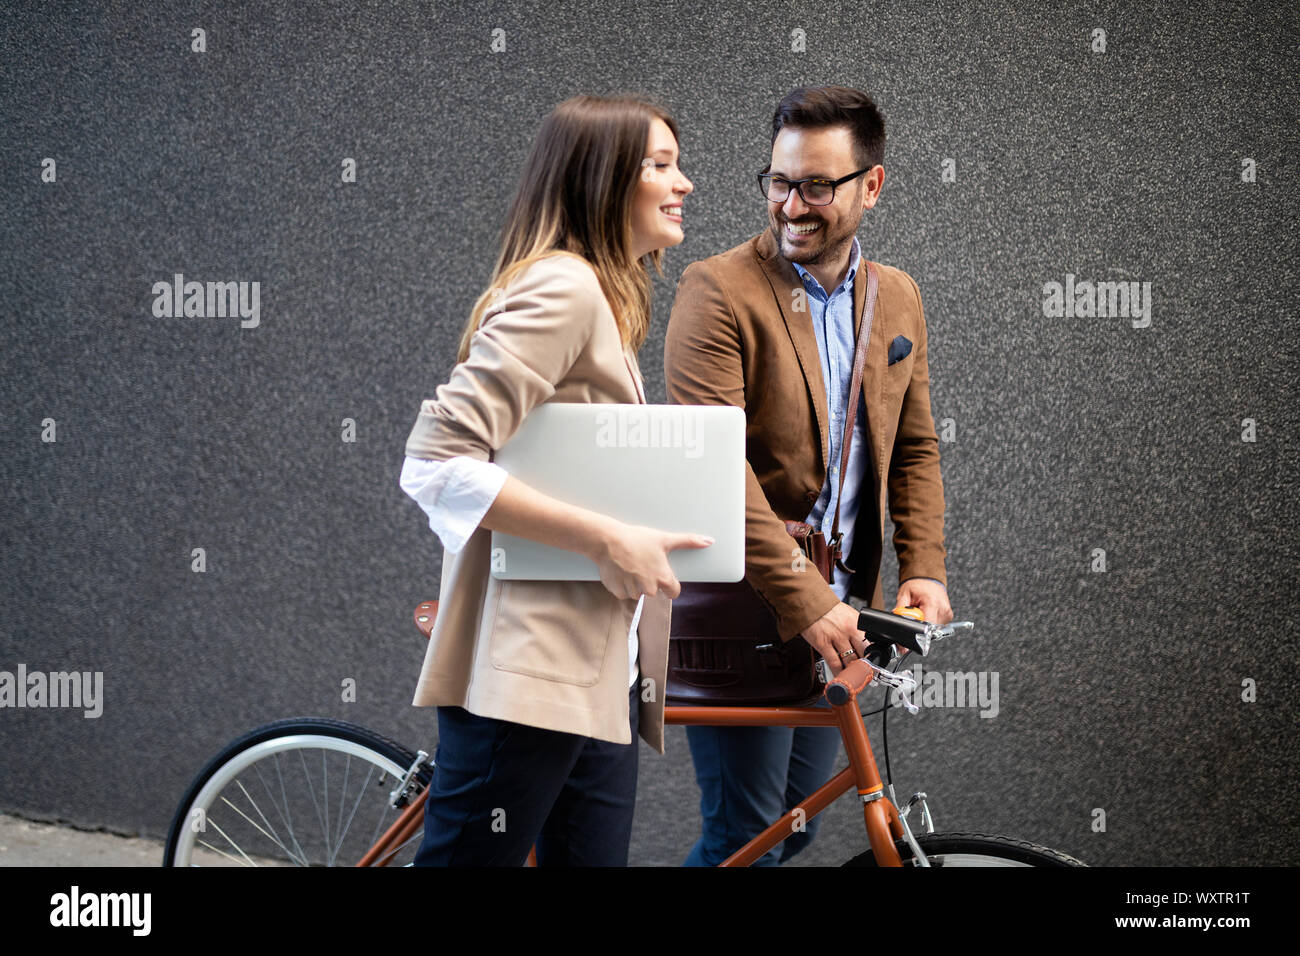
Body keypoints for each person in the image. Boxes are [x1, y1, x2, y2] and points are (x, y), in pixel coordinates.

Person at [399, 94, 702, 866]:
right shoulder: (563, 290)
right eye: (661, 166)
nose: (685, 183)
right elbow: (435, 461)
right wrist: (607, 539)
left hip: (596, 675)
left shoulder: (600, 299)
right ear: (602, 181)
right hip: (532, 680)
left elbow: (545, 471)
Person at [663, 85, 954, 866]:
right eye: (780, 182)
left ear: (872, 185)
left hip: (843, 603)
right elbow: (711, 465)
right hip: (744, 611)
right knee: (747, 840)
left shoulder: (897, 297)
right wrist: (806, 597)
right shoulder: (716, 290)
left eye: (817, 186)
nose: (792, 206)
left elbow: (915, 446)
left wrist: (923, 565)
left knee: (799, 826)